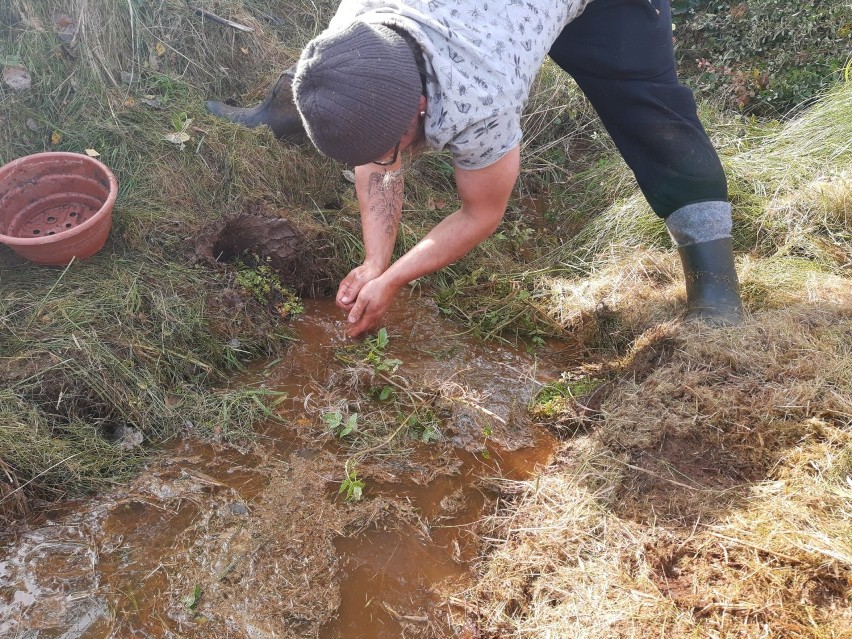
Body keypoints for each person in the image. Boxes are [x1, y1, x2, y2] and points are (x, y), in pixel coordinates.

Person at [207, 0, 744, 338]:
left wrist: (395, 278)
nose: (385, 158)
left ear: (420, 105)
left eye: (394, 145)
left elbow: (481, 211)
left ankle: (715, 289)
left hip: (606, 8)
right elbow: (376, 148)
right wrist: (374, 261)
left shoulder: (480, 93)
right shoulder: (355, 31)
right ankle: (275, 116)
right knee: (343, 95)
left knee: (650, 111)